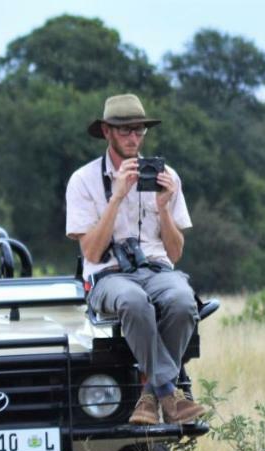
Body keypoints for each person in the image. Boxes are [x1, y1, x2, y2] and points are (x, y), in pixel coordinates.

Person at [64, 93, 205, 426]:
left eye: (139, 131)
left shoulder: (165, 175)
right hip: (109, 274)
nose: (133, 138)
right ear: (107, 132)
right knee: (134, 301)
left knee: (184, 301)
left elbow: (174, 253)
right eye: (125, 130)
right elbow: (92, 253)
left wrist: (163, 207)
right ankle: (171, 392)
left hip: (157, 269)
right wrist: (116, 197)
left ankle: (149, 397)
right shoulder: (83, 180)